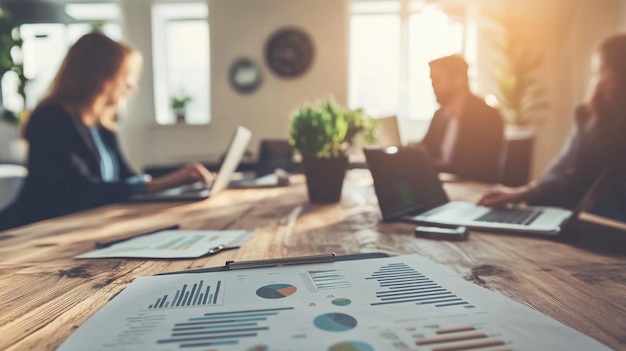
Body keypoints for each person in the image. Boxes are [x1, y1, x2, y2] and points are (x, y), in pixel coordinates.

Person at [0, 31, 213, 231]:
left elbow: (127, 178)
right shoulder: (51, 119)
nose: (131, 86)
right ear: (97, 76)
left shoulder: (102, 125)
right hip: (33, 231)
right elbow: (79, 191)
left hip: (85, 227)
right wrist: (165, 182)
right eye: (124, 75)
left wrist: (177, 179)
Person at [479, 33, 626, 222]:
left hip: (609, 222)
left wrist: (524, 193)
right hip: (583, 218)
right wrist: (525, 191)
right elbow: (566, 164)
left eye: (601, 70)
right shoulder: (589, 115)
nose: (595, 80)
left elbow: (575, 177)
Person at [421, 54, 504, 182]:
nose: (433, 86)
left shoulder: (487, 116)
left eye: (437, 80)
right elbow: (424, 150)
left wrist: (433, 166)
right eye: (431, 81)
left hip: (474, 188)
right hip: (445, 185)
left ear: (458, 79)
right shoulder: (440, 115)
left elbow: (477, 166)